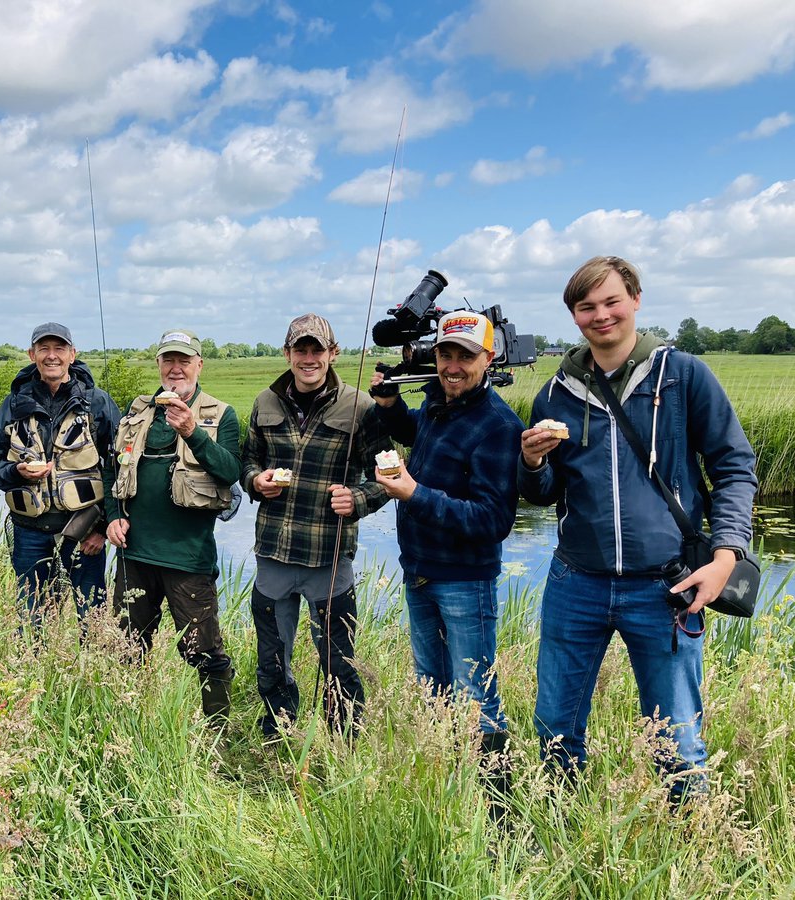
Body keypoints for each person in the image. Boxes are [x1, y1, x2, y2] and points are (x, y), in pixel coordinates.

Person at [519, 256, 757, 804]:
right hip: (575, 582)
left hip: (666, 585)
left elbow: (734, 466)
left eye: (611, 302)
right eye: (587, 307)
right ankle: (565, 834)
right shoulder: (555, 393)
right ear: (574, 316)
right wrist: (532, 463)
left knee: (677, 741)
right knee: (555, 731)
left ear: (636, 300)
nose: (601, 315)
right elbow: (543, 494)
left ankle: (690, 848)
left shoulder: (683, 375)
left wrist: (725, 556)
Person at [369, 310, 523, 817]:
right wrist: (390, 405)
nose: (453, 366)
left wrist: (413, 493)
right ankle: (446, 795)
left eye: (465, 356)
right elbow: (417, 433)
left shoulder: (497, 425)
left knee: (476, 699)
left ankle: (495, 813)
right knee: (431, 689)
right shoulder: (439, 404)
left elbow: (491, 520)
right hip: (420, 572)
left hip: (464, 583)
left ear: (488, 357)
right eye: (445, 354)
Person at [241, 313, 390, 738]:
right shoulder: (264, 402)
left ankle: (343, 744)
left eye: (317, 350)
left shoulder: (360, 406)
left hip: (329, 558)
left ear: (333, 353)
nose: (309, 358)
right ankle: (278, 737)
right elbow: (248, 460)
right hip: (273, 554)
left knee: (337, 660)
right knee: (272, 657)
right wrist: (255, 480)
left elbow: (389, 474)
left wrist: (358, 499)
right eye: (300, 349)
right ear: (288, 354)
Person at [105, 329, 240, 721]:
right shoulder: (137, 411)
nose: (176, 368)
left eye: (184, 361)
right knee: (126, 646)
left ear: (199, 364)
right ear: (159, 365)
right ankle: (128, 724)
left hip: (188, 558)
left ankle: (217, 732)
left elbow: (229, 471)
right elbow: (116, 472)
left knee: (203, 652)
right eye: (168, 360)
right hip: (135, 556)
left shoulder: (221, 414)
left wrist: (191, 431)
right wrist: (114, 517)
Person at [0, 323, 120, 631]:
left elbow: (120, 469)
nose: (52, 356)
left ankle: (93, 674)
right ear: (31, 354)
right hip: (29, 531)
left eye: (59, 349)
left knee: (92, 619)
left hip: (84, 533)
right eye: (44, 349)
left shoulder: (97, 403)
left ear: (72, 355)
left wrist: (101, 528)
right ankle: (35, 674)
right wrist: (15, 472)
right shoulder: (12, 405)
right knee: (32, 620)